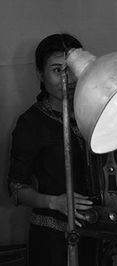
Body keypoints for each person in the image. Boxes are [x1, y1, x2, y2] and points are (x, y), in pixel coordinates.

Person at [8, 33, 96, 266]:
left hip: (99, 234)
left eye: (71, 69)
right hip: (53, 239)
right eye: (57, 70)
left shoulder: (96, 113)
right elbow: (17, 189)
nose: (66, 78)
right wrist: (54, 203)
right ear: (40, 74)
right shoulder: (31, 123)